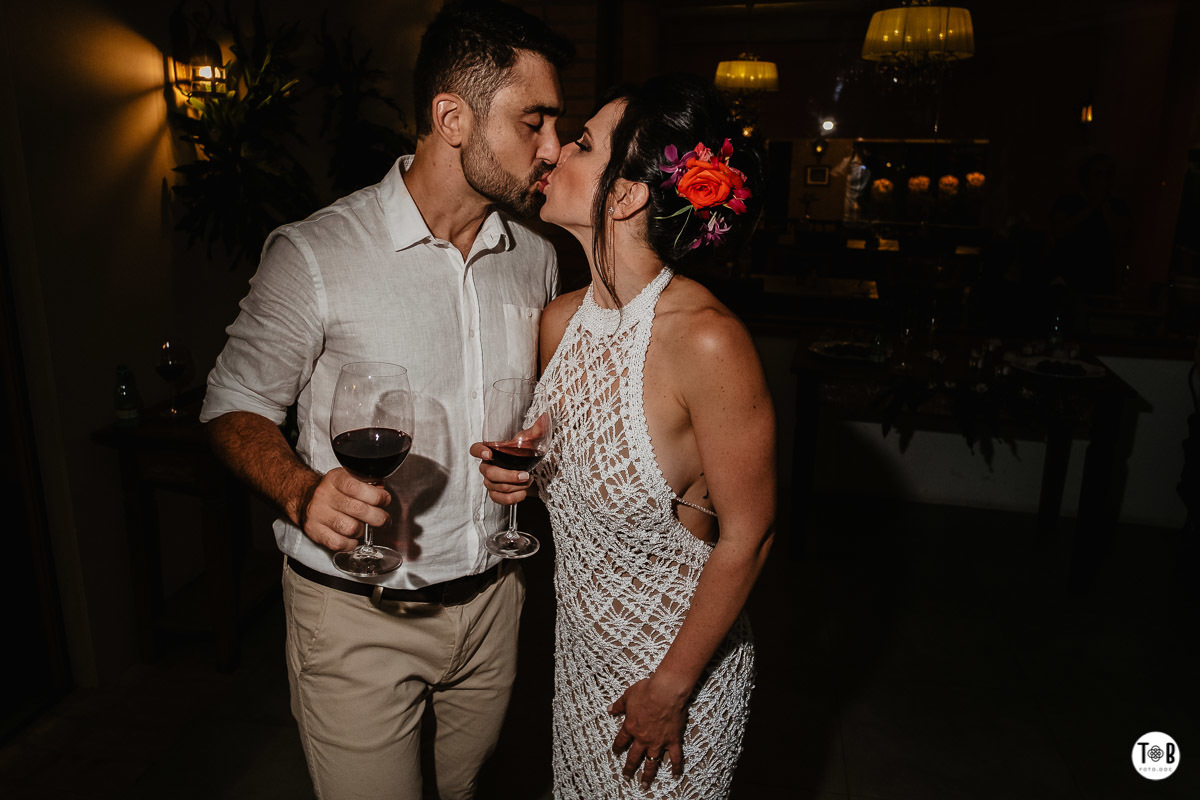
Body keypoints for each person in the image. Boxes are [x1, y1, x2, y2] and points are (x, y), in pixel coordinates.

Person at [198, 2, 572, 797]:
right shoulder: (317, 254)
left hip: (493, 605)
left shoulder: (536, 258)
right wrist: (301, 491)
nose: (552, 148)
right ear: (452, 117)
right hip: (357, 614)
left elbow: (531, 413)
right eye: (533, 122)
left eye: (557, 123)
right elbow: (231, 405)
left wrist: (529, 465)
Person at [475, 75, 776, 798]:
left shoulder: (707, 342)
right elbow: (581, 462)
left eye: (580, 143)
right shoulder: (559, 321)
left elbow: (750, 534)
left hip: (676, 680)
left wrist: (670, 688)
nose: (552, 153)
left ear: (626, 194)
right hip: (580, 666)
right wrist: (521, 472)